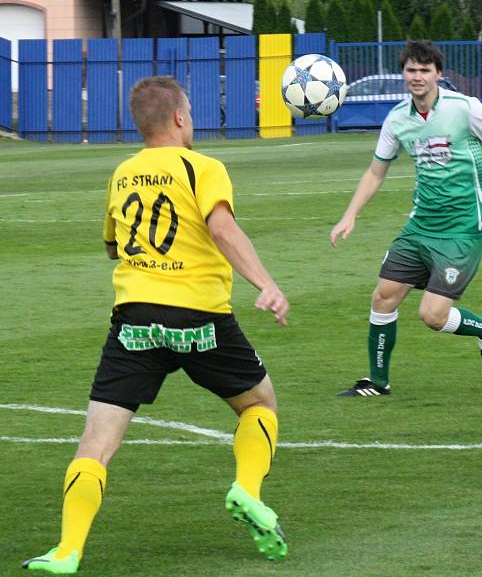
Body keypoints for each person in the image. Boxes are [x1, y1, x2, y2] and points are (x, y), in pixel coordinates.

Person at [23, 77, 289, 573]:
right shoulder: (203, 167)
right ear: (181, 118)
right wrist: (266, 284)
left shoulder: (122, 174)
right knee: (258, 404)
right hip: (201, 317)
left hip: (136, 319)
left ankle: (66, 550)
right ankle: (246, 489)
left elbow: (111, 246)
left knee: (97, 442)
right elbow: (222, 228)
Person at [330, 39, 482, 397]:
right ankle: (377, 382)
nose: (417, 76)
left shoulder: (465, 108)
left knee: (433, 316)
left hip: (462, 229)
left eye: (424, 70)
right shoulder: (397, 119)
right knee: (383, 297)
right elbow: (376, 173)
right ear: (403, 74)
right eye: (411, 70)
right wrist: (350, 215)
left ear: (438, 74)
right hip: (420, 225)